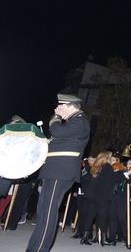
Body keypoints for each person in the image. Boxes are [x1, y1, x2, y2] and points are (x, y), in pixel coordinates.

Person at [26, 94, 90, 252]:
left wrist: (55, 118)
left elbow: (57, 132)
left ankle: (40, 249)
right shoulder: (73, 122)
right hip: (54, 170)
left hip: (60, 172)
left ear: (69, 105)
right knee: (43, 211)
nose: (56, 109)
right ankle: (34, 247)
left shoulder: (80, 120)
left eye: (59, 106)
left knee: (48, 211)